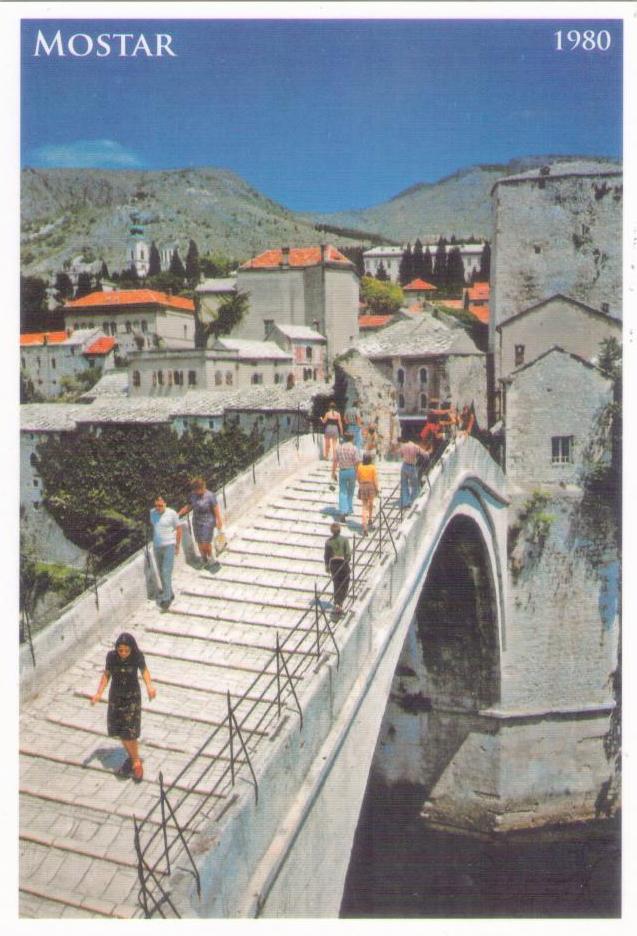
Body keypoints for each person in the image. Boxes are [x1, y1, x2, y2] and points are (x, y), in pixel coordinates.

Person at [91, 632, 156, 782]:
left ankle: (136, 762)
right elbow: (107, 675)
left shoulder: (137, 656)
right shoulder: (111, 657)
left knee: (130, 732)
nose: (123, 654)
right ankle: (134, 759)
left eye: (126, 651)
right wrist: (99, 693)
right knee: (121, 732)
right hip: (116, 697)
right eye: (120, 650)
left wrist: (149, 686)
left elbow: (144, 671)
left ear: (131, 649)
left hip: (132, 697)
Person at [179, 477, 224, 571]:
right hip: (196, 522)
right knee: (199, 542)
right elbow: (189, 506)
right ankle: (204, 560)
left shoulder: (210, 496)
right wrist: (179, 513)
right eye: (197, 490)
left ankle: (212, 559)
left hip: (208, 522)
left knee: (205, 543)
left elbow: (216, 509)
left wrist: (219, 521)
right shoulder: (192, 495)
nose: (199, 491)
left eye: (201, 489)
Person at [149, 496, 183, 610]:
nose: (158, 508)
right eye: (156, 505)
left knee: (165, 571)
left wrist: (177, 545)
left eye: (160, 505)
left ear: (165, 504)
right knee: (161, 572)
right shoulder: (152, 513)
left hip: (169, 546)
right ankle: (170, 592)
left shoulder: (172, 513)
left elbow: (179, 529)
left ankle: (166, 598)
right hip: (157, 547)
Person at [332, 432, 360, 521]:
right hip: (352, 471)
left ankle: (343, 511)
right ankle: (349, 508)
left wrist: (333, 472)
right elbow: (357, 462)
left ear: (344, 438)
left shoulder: (338, 448)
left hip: (342, 471)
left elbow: (335, 461)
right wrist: (358, 474)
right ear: (352, 439)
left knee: (342, 491)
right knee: (351, 491)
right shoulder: (354, 448)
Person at [324, 522, 351, 616]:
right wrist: (347, 560)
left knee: (336, 583)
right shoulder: (344, 540)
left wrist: (327, 566)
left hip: (333, 564)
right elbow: (348, 554)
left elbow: (326, 556)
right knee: (345, 583)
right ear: (340, 530)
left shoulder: (328, 542)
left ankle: (337, 603)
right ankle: (340, 603)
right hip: (342, 563)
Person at [396, 435, 423, 508]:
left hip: (405, 466)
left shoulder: (403, 446)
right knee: (414, 485)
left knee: (404, 485)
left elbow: (400, 455)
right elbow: (422, 454)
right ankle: (413, 501)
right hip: (412, 466)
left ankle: (406, 501)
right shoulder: (416, 447)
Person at [357, 453, 379, 536]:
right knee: (371, 503)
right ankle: (370, 518)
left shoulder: (360, 467)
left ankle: (364, 527)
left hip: (362, 486)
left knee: (364, 507)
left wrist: (361, 484)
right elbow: (375, 479)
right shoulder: (372, 467)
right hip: (371, 486)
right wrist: (377, 488)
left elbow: (358, 478)